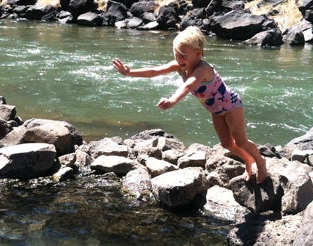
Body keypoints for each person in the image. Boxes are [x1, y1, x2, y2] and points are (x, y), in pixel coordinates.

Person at [112, 26, 268, 183]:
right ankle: (248, 159)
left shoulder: (203, 69)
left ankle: (261, 162)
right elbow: (154, 71)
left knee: (240, 141)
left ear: (198, 54)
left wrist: (173, 100)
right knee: (227, 144)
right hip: (216, 110)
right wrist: (129, 73)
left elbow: (189, 85)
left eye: (183, 55)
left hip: (232, 105)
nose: (179, 59)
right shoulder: (180, 66)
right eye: (176, 55)